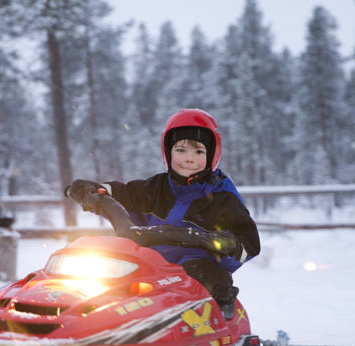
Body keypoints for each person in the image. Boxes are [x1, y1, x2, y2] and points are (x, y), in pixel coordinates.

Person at [66, 108, 260, 319]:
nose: (189, 158)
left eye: (199, 152)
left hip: (196, 270)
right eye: (180, 150)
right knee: (103, 277)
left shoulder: (223, 199)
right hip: (150, 265)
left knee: (201, 277)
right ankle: (91, 322)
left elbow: (247, 242)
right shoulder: (157, 187)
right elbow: (126, 194)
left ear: (213, 155)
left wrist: (213, 241)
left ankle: (212, 326)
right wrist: (92, 191)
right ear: (168, 153)